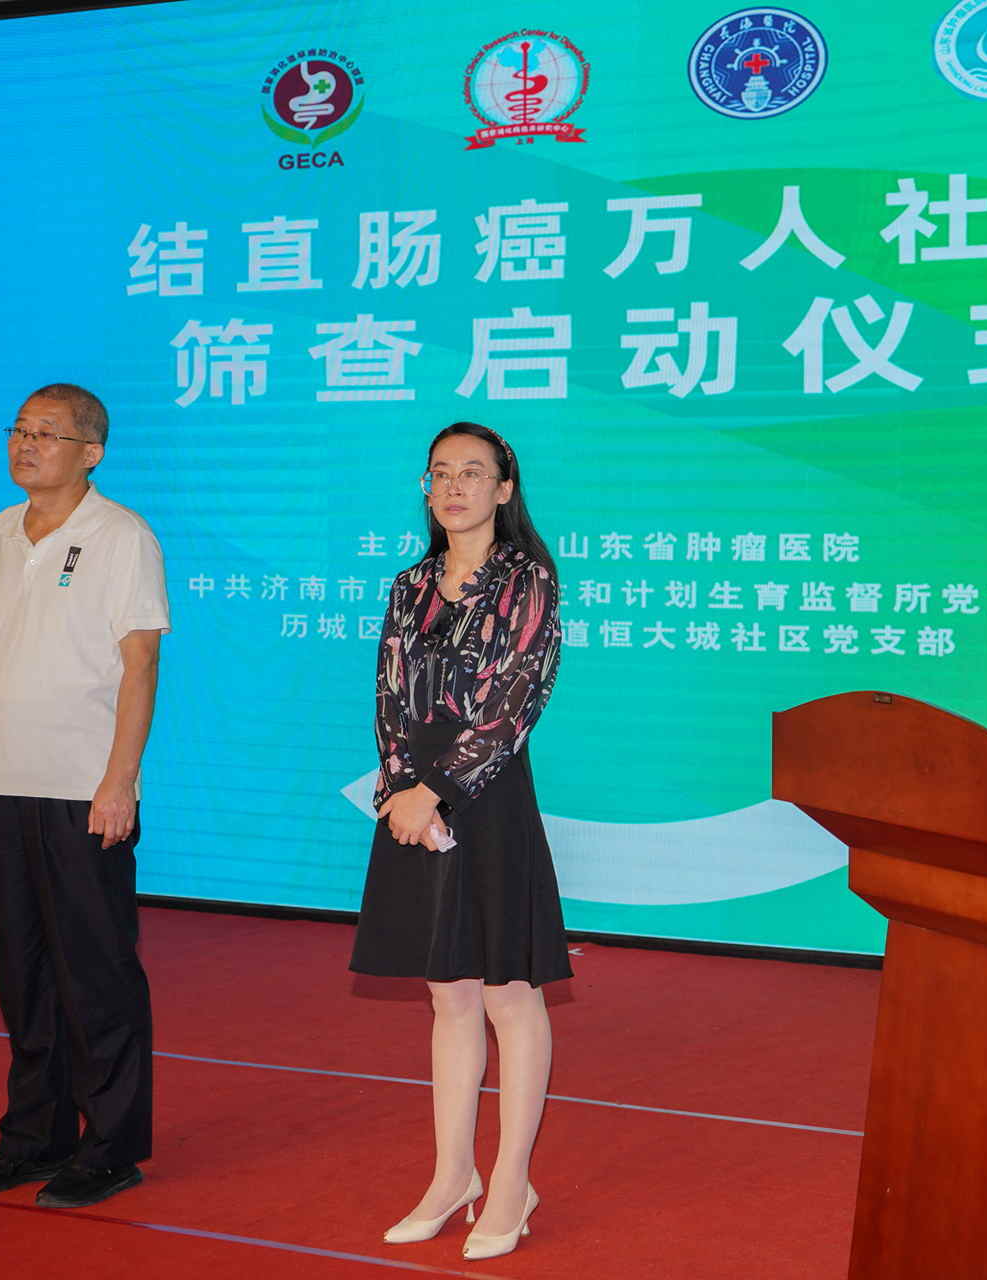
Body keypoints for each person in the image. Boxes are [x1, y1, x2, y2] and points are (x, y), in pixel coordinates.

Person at [350, 422, 569, 1261]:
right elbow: (388, 698)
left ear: (504, 489)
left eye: (473, 473)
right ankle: (453, 1176)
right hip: (415, 800)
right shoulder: (409, 585)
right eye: (440, 472)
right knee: (448, 993)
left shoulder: (527, 580)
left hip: (487, 792)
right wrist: (402, 792)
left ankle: (511, 1180)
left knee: (509, 991)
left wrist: (436, 790)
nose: (453, 487)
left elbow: (516, 700)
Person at [0, 383, 169, 1209]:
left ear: (91, 453)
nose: (25, 444)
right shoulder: (0, 532)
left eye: (46, 433)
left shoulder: (121, 535)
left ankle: (110, 1148)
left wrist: (118, 780)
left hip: (82, 788)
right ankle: (34, 1138)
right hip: (0, 783)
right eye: (19, 430)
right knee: (24, 969)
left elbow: (141, 664)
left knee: (97, 970)